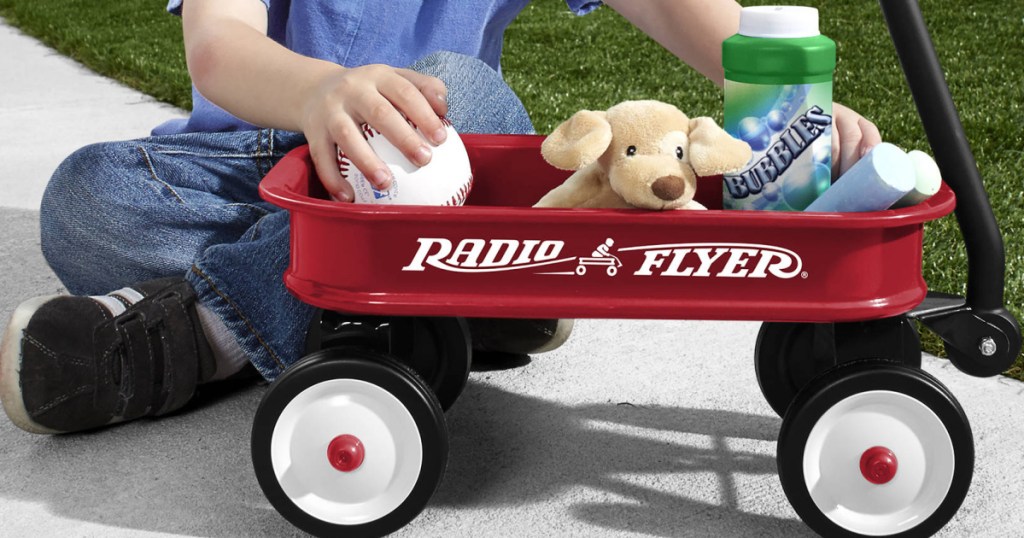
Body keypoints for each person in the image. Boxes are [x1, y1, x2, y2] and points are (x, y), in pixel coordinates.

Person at [0, 0, 880, 435]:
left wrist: (794, 103)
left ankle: (204, 333)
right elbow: (220, 46)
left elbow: (690, 13)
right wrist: (318, 91)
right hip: (262, 165)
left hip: (433, 161)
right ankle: (460, 296)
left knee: (464, 84)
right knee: (87, 195)